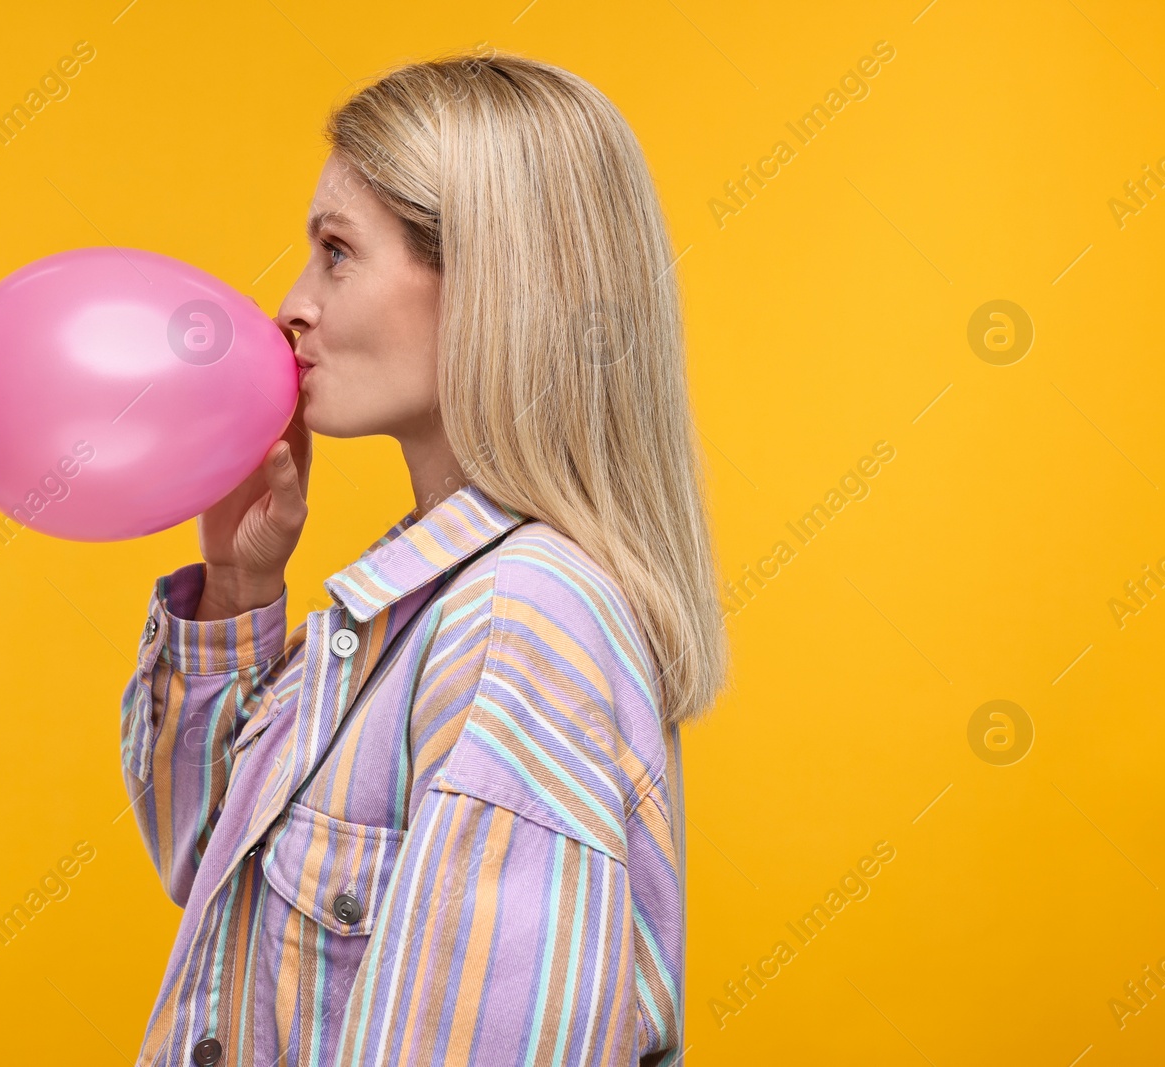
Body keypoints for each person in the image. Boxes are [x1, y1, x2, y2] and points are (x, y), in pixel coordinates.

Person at [120, 49, 727, 1066]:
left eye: (337, 252)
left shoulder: (519, 621)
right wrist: (237, 587)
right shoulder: (424, 603)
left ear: (493, 280)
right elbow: (205, 863)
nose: (291, 304)